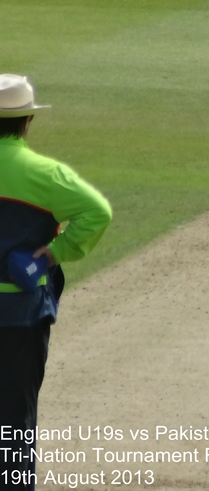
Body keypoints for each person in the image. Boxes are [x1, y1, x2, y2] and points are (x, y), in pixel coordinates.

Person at [0, 74, 113, 490]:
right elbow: (97, 212)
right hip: (21, 318)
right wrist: (56, 253)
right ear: (27, 121)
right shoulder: (45, 174)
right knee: (14, 424)